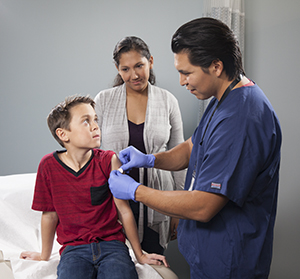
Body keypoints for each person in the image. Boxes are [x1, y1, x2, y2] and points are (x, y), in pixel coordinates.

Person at [108, 18, 282, 279]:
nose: (181, 81)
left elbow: (204, 205)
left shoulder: (242, 117)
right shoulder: (224, 97)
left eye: (186, 73)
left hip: (229, 262)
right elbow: (192, 147)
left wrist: (136, 191)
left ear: (216, 66)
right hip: (208, 256)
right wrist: (149, 159)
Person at [19, 96, 168, 279]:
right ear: (63, 134)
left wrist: (140, 255)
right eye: (85, 121)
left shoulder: (108, 160)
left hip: (112, 246)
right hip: (73, 250)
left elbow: (124, 210)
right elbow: (49, 215)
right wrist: (44, 255)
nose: (95, 126)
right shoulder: (48, 166)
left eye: (95, 119)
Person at [94, 36, 186, 255]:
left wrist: (178, 210)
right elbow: (91, 153)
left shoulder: (167, 100)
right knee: (117, 266)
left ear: (150, 62)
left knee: (153, 266)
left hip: (159, 201)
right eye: (125, 69)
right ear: (117, 69)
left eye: (139, 66)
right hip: (114, 203)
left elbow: (181, 157)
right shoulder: (103, 101)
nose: (134, 75)